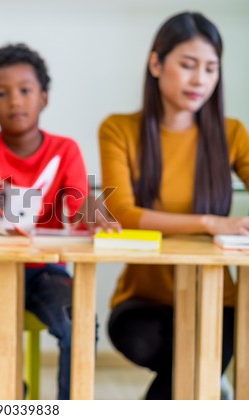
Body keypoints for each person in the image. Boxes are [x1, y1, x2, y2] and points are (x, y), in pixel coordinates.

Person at [0, 43, 116, 400]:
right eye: (1, 94)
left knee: (79, 327)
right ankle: (4, 399)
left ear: (44, 98)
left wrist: (95, 214)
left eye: (25, 90)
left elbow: (79, 203)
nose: (14, 101)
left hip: (46, 271)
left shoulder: (65, 150)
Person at [99, 11, 249, 399]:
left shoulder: (231, 134)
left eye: (211, 68)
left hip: (218, 298)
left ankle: (209, 389)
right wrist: (211, 222)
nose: (200, 79)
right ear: (156, 63)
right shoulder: (119, 129)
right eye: (188, 65)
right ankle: (212, 390)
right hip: (142, 300)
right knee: (182, 363)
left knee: (191, 372)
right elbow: (125, 212)